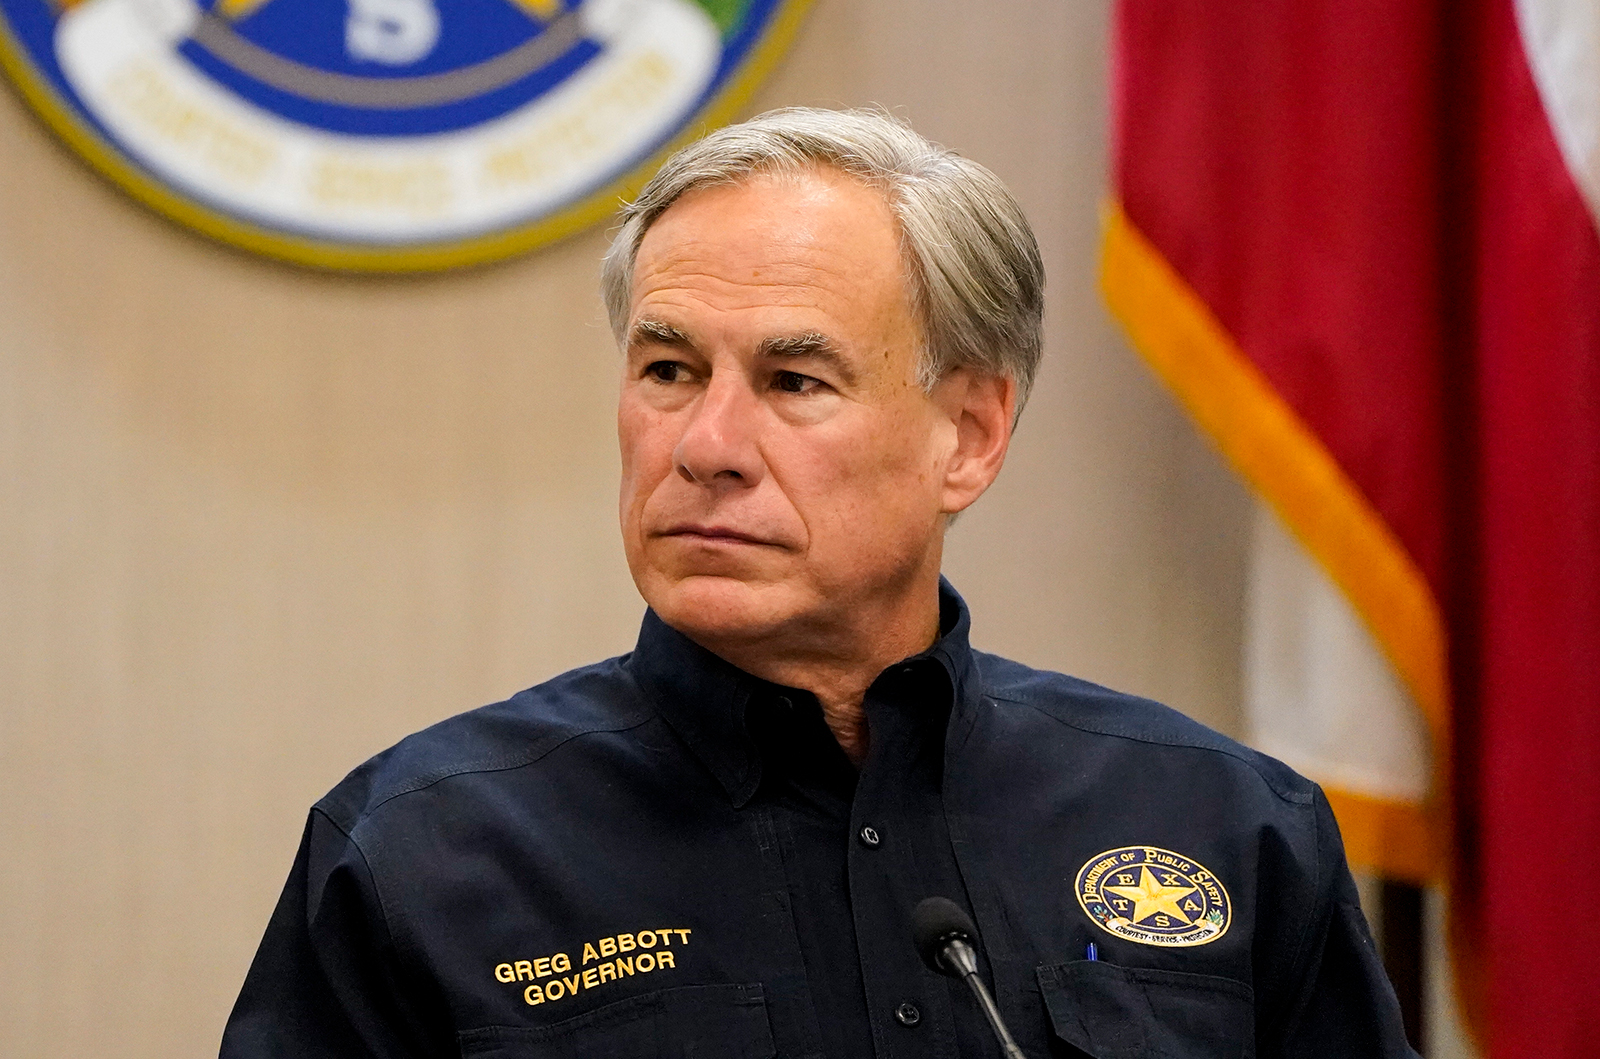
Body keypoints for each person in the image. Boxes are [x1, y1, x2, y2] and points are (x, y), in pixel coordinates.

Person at [221, 108, 1417, 1059]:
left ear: (970, 434)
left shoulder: (1223, 827)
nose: (705, 444)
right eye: (669, 368)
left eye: (795, 381)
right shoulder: (424, 848)